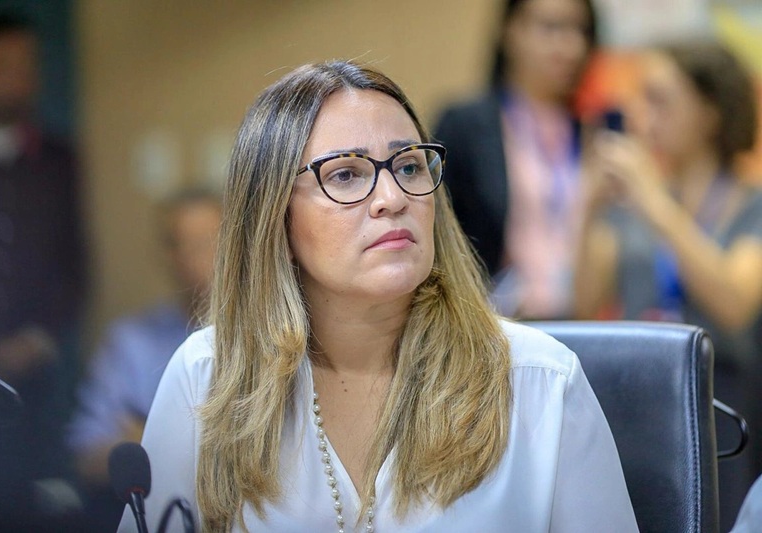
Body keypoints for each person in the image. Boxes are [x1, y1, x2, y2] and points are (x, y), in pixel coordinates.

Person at [117, 60, 636, 532]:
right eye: (345, 174)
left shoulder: (540, 381)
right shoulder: (207, 376)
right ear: (274, 215)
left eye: (409, 166)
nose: (393, 197)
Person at [574, 41, 762, 532]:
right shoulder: (636, 202)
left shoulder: (750, 203)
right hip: (643, 408)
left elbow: (734, 302)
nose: (643, 116)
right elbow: (585, 303)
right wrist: (588, 205)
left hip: (729, 416)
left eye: (660, 100)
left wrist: (654, 201)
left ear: (710, 112)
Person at [0, 13, 86, 485]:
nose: (15, 78)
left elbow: (74, 260)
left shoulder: (57, 159)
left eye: (25, 66)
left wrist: (37, 340)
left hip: (34, 375)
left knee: (30, 489)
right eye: (2, 65)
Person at [67, 188, 220, 531]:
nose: (202, 256)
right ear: (168, 254)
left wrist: (151, 439)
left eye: (211, 241)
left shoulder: (270, 338)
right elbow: (88, 456)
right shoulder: (130, 343)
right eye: (186, 244)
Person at [434, 0, 596, 319]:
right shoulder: (466, 125)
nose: (572, 46)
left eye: (582, 31)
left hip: (580, 315)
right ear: (510, 31)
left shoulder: (591, 130)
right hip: (494, 320)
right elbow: (439, 234)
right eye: (551, 28)